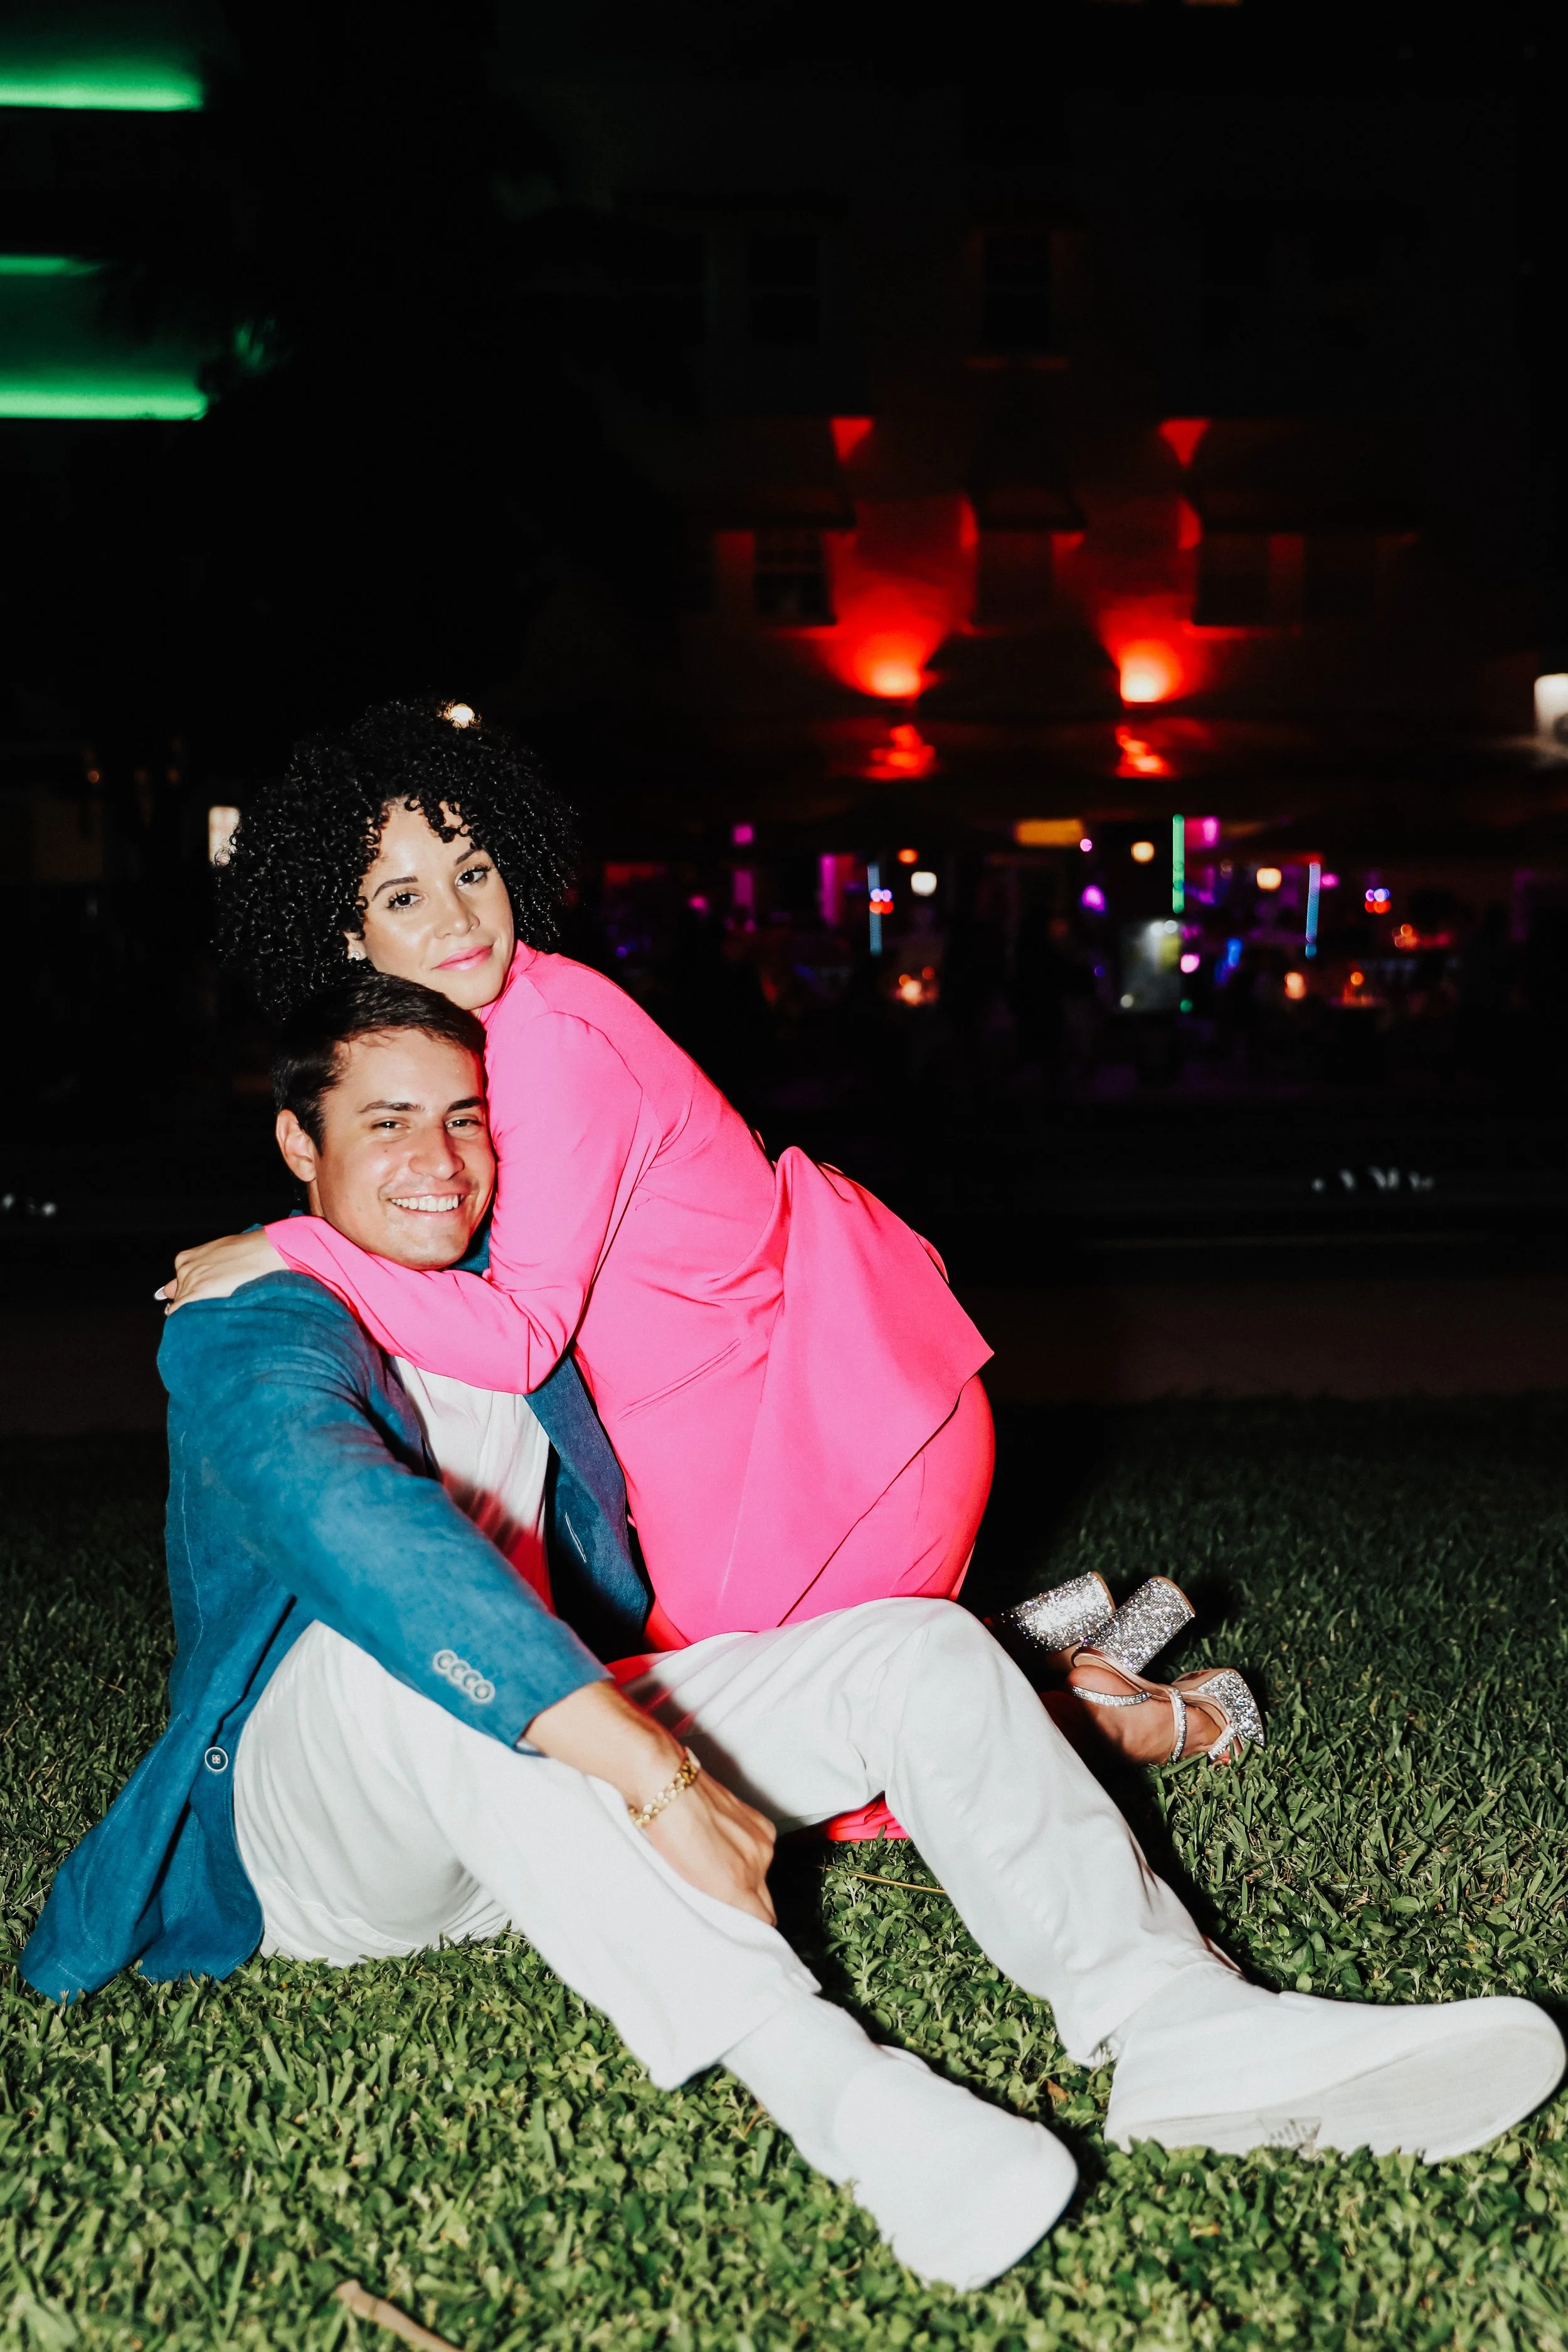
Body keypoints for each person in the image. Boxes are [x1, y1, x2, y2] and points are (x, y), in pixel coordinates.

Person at [27, 974, 1563, 2294]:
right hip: (320, 1839)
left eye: (465, 1117)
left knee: (911, 1645)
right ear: (296, 1145)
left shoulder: (516, 1305)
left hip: (532, 1818)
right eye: (383, 1123)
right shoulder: (243, 1324)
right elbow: (347, 1523)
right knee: (409, 1654)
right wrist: (652, 1770)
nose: (438, 1160)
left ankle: (1179, 2022)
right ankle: (843, 2098)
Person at [161, 697, 1241, 1769]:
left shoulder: (549, 1044)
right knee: (704, 1727)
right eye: (407, 894)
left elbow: (519, 1336)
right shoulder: (482, 1033)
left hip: (837, 1438)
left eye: (474, 871)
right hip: (750, 1441)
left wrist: (297, 1246)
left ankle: (1137, 1714)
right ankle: (1021, 1651)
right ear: (350, 933)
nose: (460, 917)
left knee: (784, 1760)